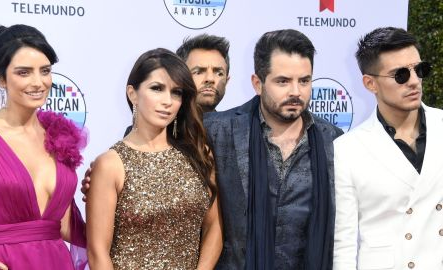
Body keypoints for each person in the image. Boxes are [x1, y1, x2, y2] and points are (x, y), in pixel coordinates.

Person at [204, 29, 342, 269]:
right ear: (257, 83)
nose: (296, 92)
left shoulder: (334, 141)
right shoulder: (216, 131)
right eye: (283, 81)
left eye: (304, 81)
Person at [85, 48, 223, 269]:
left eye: (176, 92)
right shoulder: (111, 164)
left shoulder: (199, 153)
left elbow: (214, 226)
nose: (167, 101)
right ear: (132, 93)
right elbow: (98, 253)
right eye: (157, 89)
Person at [0, 24, 87, 270]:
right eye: (24, 72)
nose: (38, 82)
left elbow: (63, 226)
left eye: (45, 71)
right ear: (0, 77)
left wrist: (104, 197)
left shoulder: (58, 136)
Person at [333, 27, 440, 269]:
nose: (414, 81)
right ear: (370, 83)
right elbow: (344, 244)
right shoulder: (347, 150)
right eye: (400, 75)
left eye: (419, 70)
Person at [176, 33, 230, 112]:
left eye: (219, 73)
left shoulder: (236, 123)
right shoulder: (161, 123)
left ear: (226, 81)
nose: (210, 79)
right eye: (198, 72)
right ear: (180, 78)